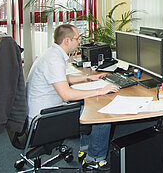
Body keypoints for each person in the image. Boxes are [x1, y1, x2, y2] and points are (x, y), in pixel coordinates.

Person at [26, 24, 119, 171]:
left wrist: (88, 78)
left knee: (86, 105)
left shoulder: (52, 54)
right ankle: (94, 159)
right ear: (67, 41)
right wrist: (100, 91)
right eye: (77, 39)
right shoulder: (54, 60)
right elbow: (66, 94)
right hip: (44, 122)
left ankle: (86, 148)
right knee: (101, 113)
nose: (79, 42)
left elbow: (63, 78)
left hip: (44, 113)